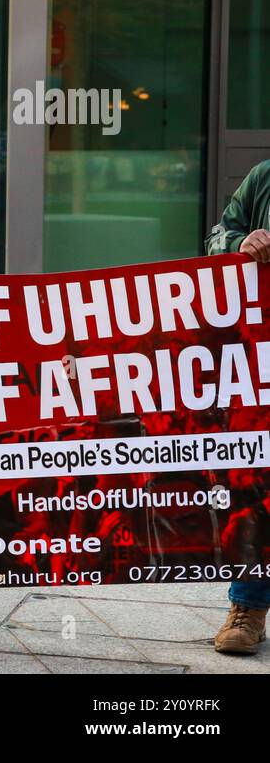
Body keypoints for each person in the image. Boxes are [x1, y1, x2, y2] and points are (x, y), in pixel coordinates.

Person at [207, 166, 270, 654]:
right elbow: (217, 236)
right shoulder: (265, 177)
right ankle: (248, 606)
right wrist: (240, 244)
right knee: (260, 477)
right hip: (263, 350)